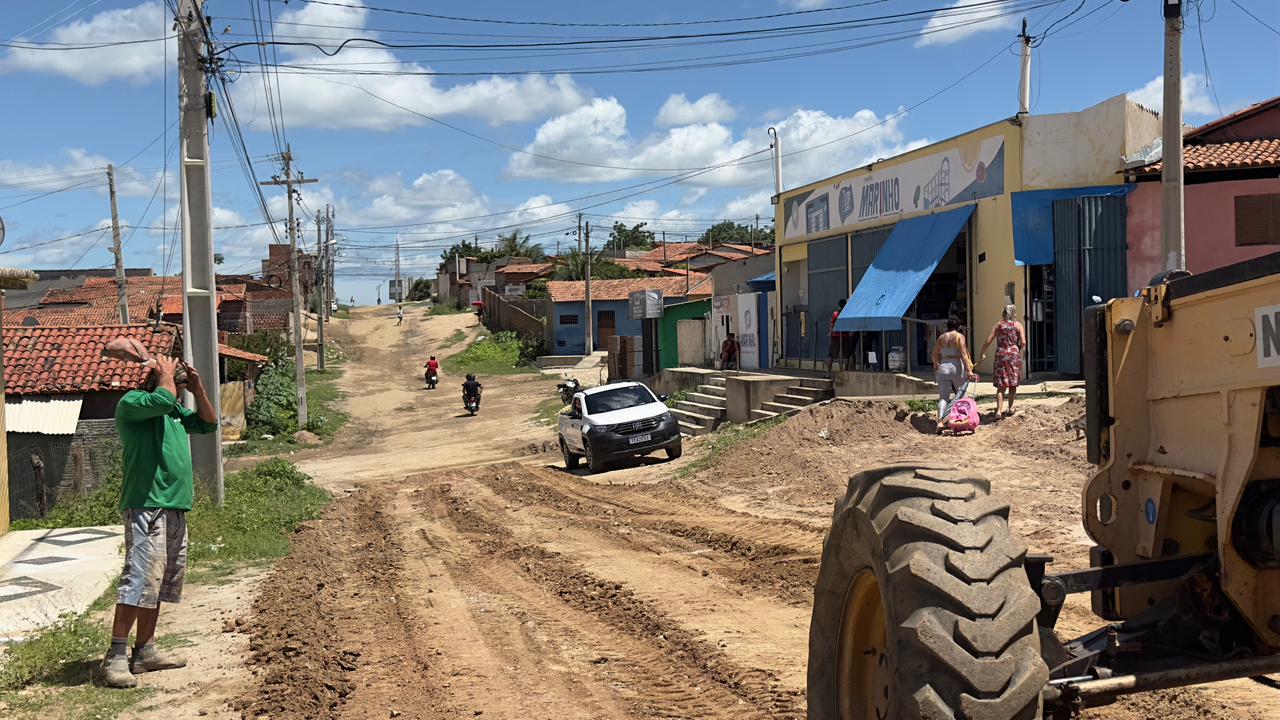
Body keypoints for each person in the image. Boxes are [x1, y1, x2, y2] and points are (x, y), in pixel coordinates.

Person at [102, 355, 218, 689]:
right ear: (155, 379)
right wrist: (165, 373)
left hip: (175, 507)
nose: (179, 389)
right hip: (147, 505)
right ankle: (116, 656)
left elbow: (209, 424)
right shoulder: (134, 403)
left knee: (159, 582)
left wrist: (199, 389)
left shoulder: (175, 411)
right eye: (176, 381)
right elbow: (163, 397)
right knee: (139, 578)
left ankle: (145, 650)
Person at [979, 303, 1027, 416]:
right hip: (1014, 355)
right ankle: (1010, 408)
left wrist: (982, 352)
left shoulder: (998, 325)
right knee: (1012, 383)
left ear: (1004, 313)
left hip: (1000, 354)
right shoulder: (1018, 325)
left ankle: (999, 410)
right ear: (1014, 313)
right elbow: (1024, 342)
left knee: (1001, 384)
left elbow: (988, 340)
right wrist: (1020, 352)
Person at [931, 314, 977, 432]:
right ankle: (961, 420)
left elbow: (934, 354)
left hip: (944, 366)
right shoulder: (959, 336)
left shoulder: (941, 338)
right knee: (961, 396)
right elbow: (963, 354)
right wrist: (969, 371)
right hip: (956, 366)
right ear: (958, 326)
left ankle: (940, 422)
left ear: (948, 326)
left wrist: (936, 364)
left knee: (943, 398)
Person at [827, 298, 848, 372]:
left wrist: (830, 332)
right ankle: (843, 370)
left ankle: (828, 372)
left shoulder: (835, 314)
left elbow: (831, 324)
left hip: (835, 336)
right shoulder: (847, 313)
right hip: (845, 336)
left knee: (831, 355)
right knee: (844, 354)